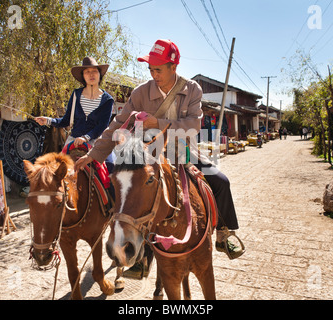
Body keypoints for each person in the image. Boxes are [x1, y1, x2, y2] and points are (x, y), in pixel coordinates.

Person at [75, 39, 243, 261]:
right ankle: (139, 251)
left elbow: (193, 125)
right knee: (128, 187)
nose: (154, 74)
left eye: (159, 69)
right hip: (149, 154)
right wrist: (93, 154)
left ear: (174, 67)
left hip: (183, 150)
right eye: (151, 69)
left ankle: (223, 232)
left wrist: (158, 123)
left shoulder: (192, 89)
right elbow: (117, 124)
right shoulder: (140, 93)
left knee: (220, 181)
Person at [35, 57, 115, 171]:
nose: (91, 74)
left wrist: (85, 138)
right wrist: (48, 120)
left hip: (96, 141)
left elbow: (102, 126)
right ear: (83, 76)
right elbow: (66, 120)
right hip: (73, 139)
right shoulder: (76, 95)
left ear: (99, 74)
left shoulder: (107, 100)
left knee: (111, 167)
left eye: (94, 71)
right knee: (57, 170)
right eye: (87, 72)